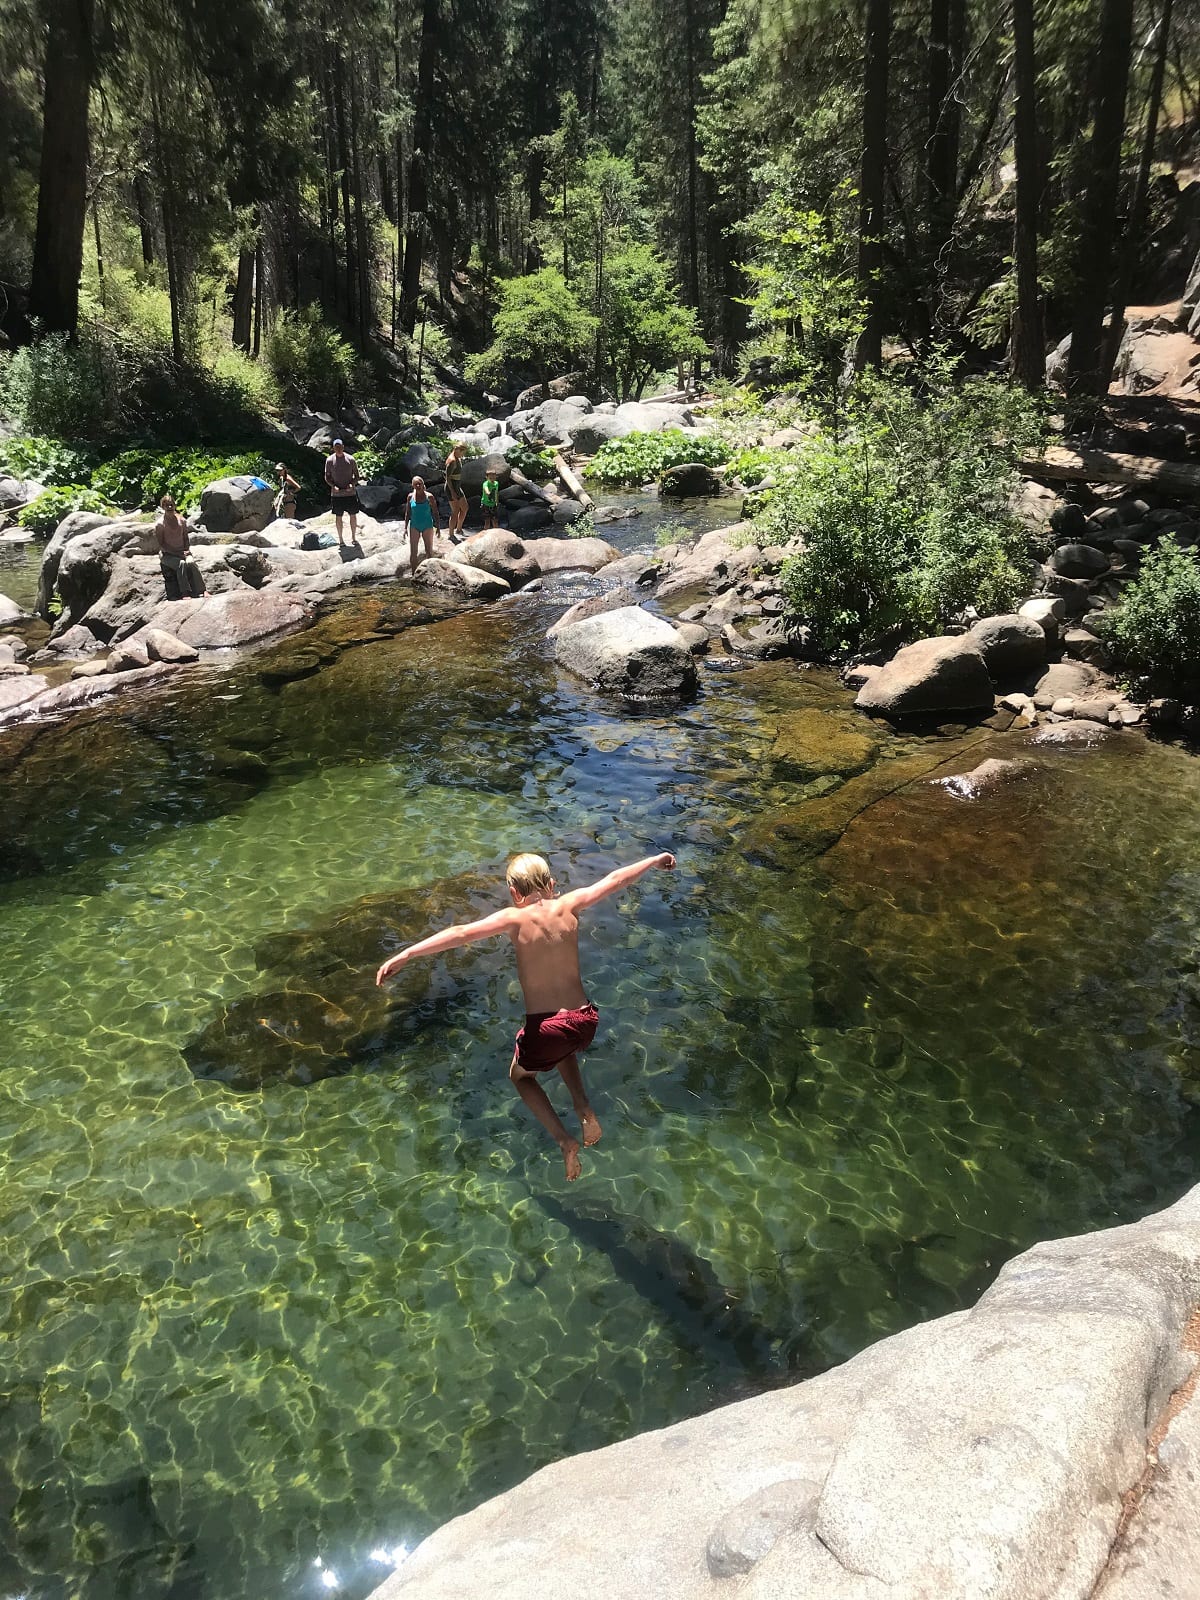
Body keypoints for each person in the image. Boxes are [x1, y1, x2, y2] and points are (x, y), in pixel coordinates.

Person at [375, 850, 676, 1180]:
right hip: (585, 1020)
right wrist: (653, 860)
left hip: (547, 1028)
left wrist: (407, 953)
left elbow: (460, 932)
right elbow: (616, 879)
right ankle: (582, 1106)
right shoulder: (570, 903)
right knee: (562, 1046)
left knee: (521, 1076)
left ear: (514, 893)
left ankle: (564, 1141)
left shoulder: (513, 918)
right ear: (550, 883)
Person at [153, 494, 205, 600]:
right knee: (181, 564)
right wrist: (176, 553)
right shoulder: (160, 524)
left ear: (175, 505)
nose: (170, 507)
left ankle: (202, 590)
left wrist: (187, 550)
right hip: (167, 555)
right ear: (163, 507)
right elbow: (161, 545)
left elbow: (185, 538)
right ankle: (184, 592)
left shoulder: (182, 521)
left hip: (182, 552)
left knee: (190, 562)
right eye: (167, 505)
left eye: (171, 505)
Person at [325, 439, 360, 547]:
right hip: (337, 494)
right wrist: (333, 486)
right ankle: (341, 539)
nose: (338, 449)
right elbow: (327, 476)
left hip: (350, 493)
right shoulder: (330, 460)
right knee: (338, 516)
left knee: (353, 515)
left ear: (343, 447)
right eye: (336, 447)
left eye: (340, 446)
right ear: (333, 448)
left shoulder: (350, 459)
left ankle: (354, 537)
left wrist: (352, 484)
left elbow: (357, 476)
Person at [403, 475, 441, 572]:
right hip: (414, 525)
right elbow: (408, 513)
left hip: (427, 525)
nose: (418, 486)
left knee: (428, 551)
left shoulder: (430, 497)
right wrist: (405, 528)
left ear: (423, 484)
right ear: (413, 486)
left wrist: (438, 527)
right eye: (416, 484)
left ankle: (430, 573)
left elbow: (435, 512)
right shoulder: (410, 497)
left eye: (420, 484)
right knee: (413, 552)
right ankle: (413, 574)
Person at [444, 441, 468, 542]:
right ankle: (451, 534)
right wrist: (453, 492)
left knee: (465, 507)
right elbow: (447, 478)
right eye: (462, 452)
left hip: (457, 486)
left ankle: (459, 529)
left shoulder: (457, 458)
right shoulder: (452, 461)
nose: (463, 455)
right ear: (457, 450)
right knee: (455, 511)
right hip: (451, 487)